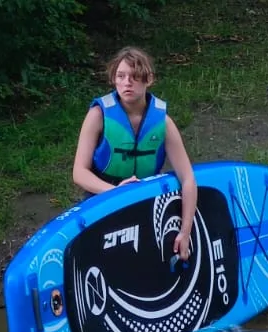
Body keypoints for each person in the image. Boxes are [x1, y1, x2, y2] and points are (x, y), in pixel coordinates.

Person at [72, 46, 198, 260]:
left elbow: (188, 179)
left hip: (144, 198)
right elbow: (79, 172)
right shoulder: (97, 115)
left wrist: (185, 231)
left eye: (134, 76)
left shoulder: (163, 123)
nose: (127, 82)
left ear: (148, 79)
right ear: (114, 79)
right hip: (103, 194)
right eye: (120, 76)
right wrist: (114, 191)